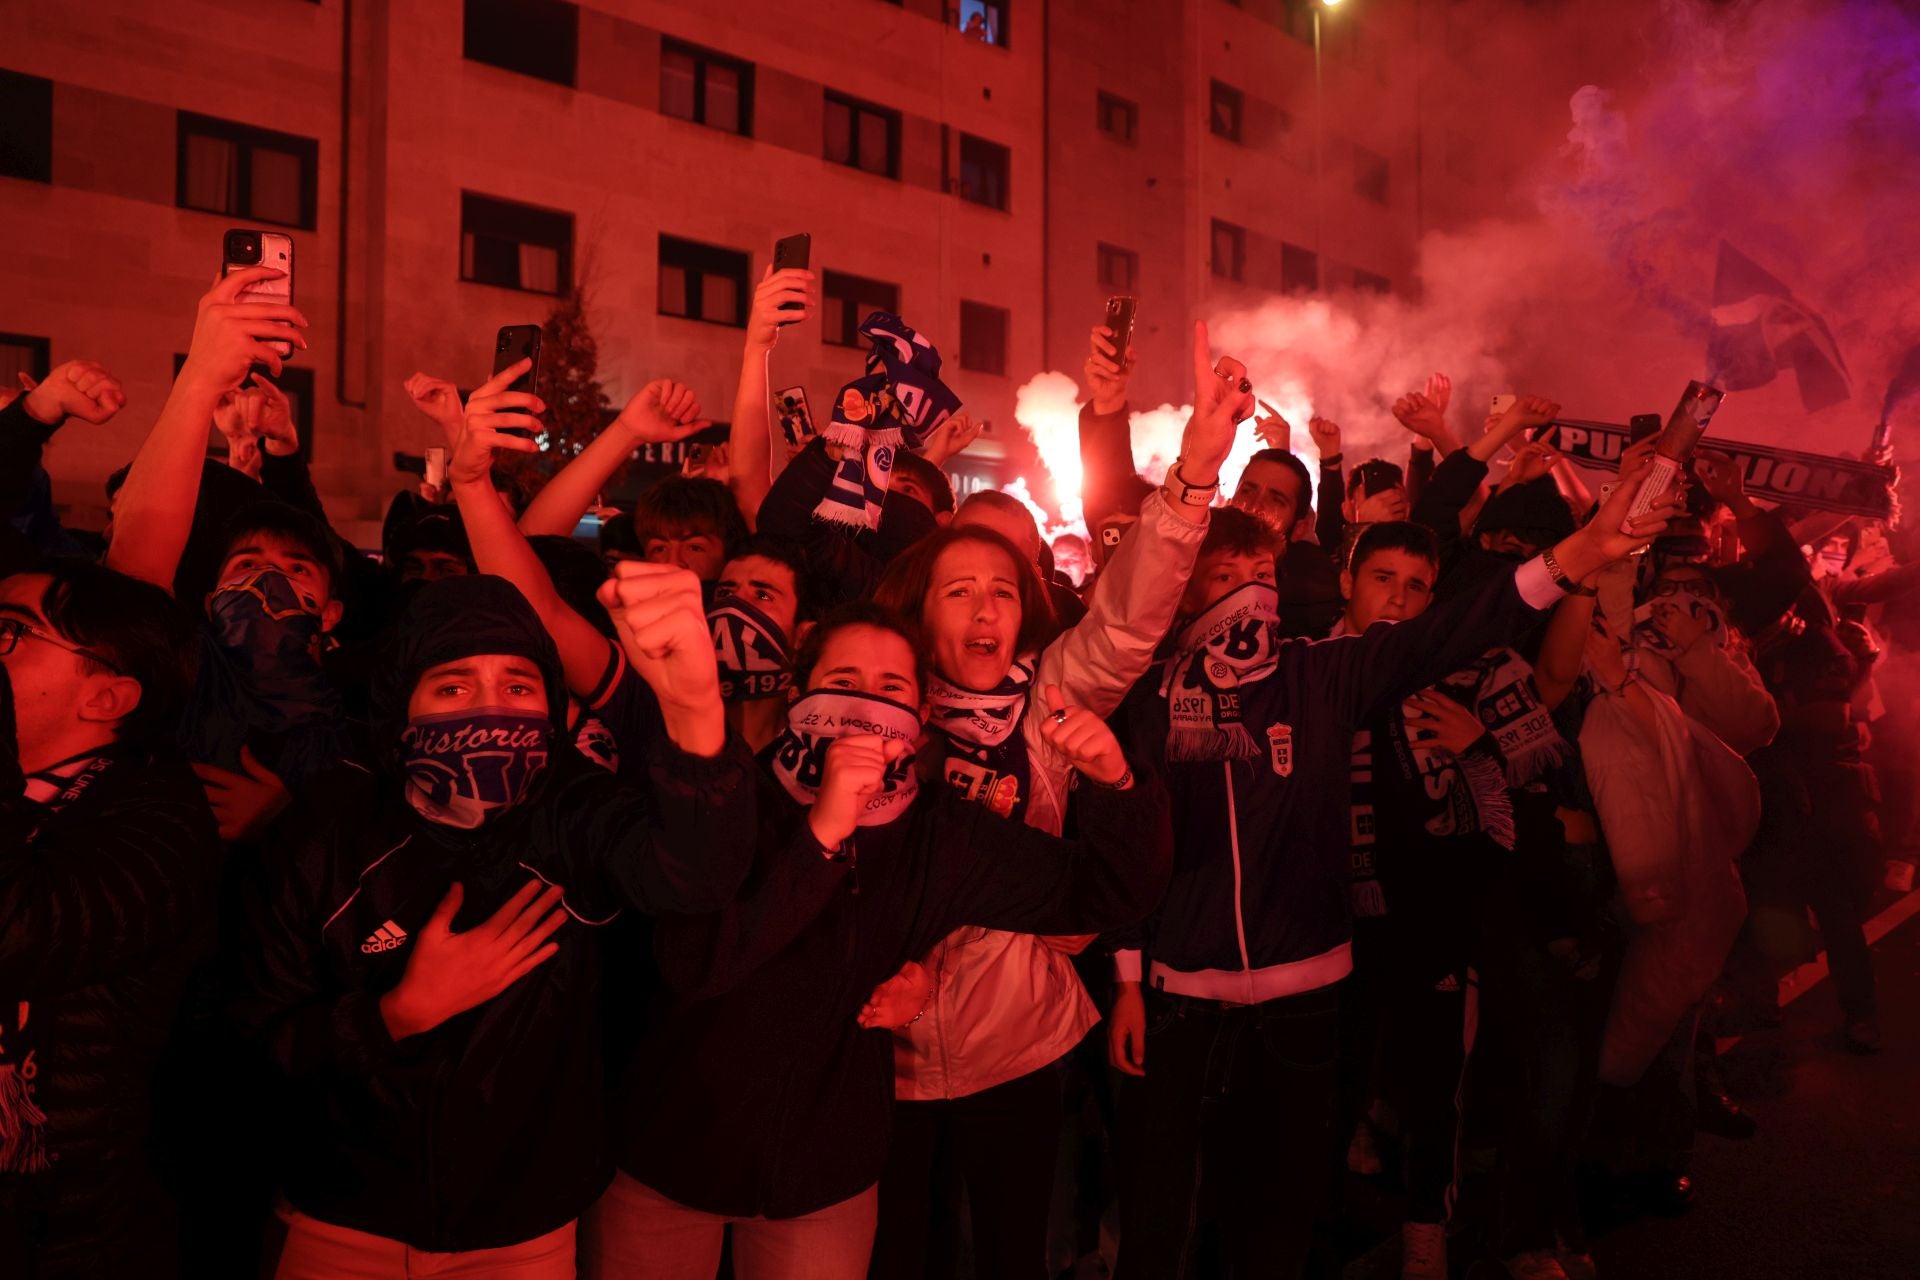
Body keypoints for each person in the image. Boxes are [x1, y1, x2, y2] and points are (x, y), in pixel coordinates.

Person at [1106, 456, 1683, 1279]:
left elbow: (1459, 626)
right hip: (1178, 1004)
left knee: (1279, 1214)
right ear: (1185, 589)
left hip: (1307, 996)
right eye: (1223, 575)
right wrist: (1128, 975)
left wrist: (1583, 554)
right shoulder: (1150, 697)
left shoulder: (1321, 673)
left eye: (1261, 573)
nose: (1248, 593)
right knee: (1165, 1211)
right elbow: (1128, 846)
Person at [588, 604, 1172, 1279]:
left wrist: (1116, 780)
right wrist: (821, 836)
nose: (866, 705)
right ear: (796, 693)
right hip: (667, 1162)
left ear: (922, 711)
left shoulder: (941, 835)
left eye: (891, 690)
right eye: (843, 679)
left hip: (821, 1183)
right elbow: (699, 962)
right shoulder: (726, 793)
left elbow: (1105, 893)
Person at [234, 568, 756, 1279]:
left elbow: (698, 877)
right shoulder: (326, 838)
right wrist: (396, 1015)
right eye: (453, 687)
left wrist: (695, 709)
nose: (492, 709)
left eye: (519, 686)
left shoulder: (579, 816)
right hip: (341, 1222)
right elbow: (254, 1044)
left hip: (522, 1233)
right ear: (400, 709)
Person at [862, 323, 1236, 1280]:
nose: (987, 608)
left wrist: (1193, 475)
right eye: (960, 591)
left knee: (1009, 1250)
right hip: (879, 1053)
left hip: (1017, 1049)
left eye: (1003, 590)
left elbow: (1127, 617)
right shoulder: (865, 710)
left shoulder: (1048, 697)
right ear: (918, 609)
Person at [0, 559, 219, 1279]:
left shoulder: (158, 822)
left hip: (63, 1235)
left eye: (10, 635)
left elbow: (17, 933)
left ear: (108, 698)